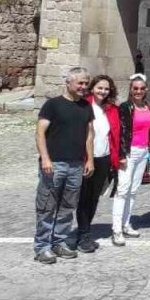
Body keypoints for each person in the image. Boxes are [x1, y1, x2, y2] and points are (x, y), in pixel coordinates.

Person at [33, 67, 95, 264]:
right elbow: (40, 132)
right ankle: (42, 247)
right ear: (68, 83)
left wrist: (90, 159)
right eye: (80, 83)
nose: (83, 87)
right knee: (47, 206)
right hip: (54, 163)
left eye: (86, 83)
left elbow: (89, 135)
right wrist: (45, 158)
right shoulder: (53, 105)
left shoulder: (86, 106)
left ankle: (59, 242)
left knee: (68, 206)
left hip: (76, 164)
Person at [74, 75, 119, 252]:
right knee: (83, 198)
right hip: (86, 158)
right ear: (92, 88)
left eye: (106, 89)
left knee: (93, 198)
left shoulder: (110, 109)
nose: (103, 91)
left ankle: (85, 231)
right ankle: (81, 235)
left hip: (104, 158)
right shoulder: (84, 106)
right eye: (100, 88)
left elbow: (113, 135)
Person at [111, 74, 150, 246]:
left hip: (143, 152)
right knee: (122, 190)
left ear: (146, 90)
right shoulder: (125, 107)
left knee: (134, 190)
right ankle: (116, 229)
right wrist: (121, 155)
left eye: (142, 88)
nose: (138, 91)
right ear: (130, 90)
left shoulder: (148, 106)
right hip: (129, 152)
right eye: (135, 88)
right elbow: (121, 132)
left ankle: (126, 224)